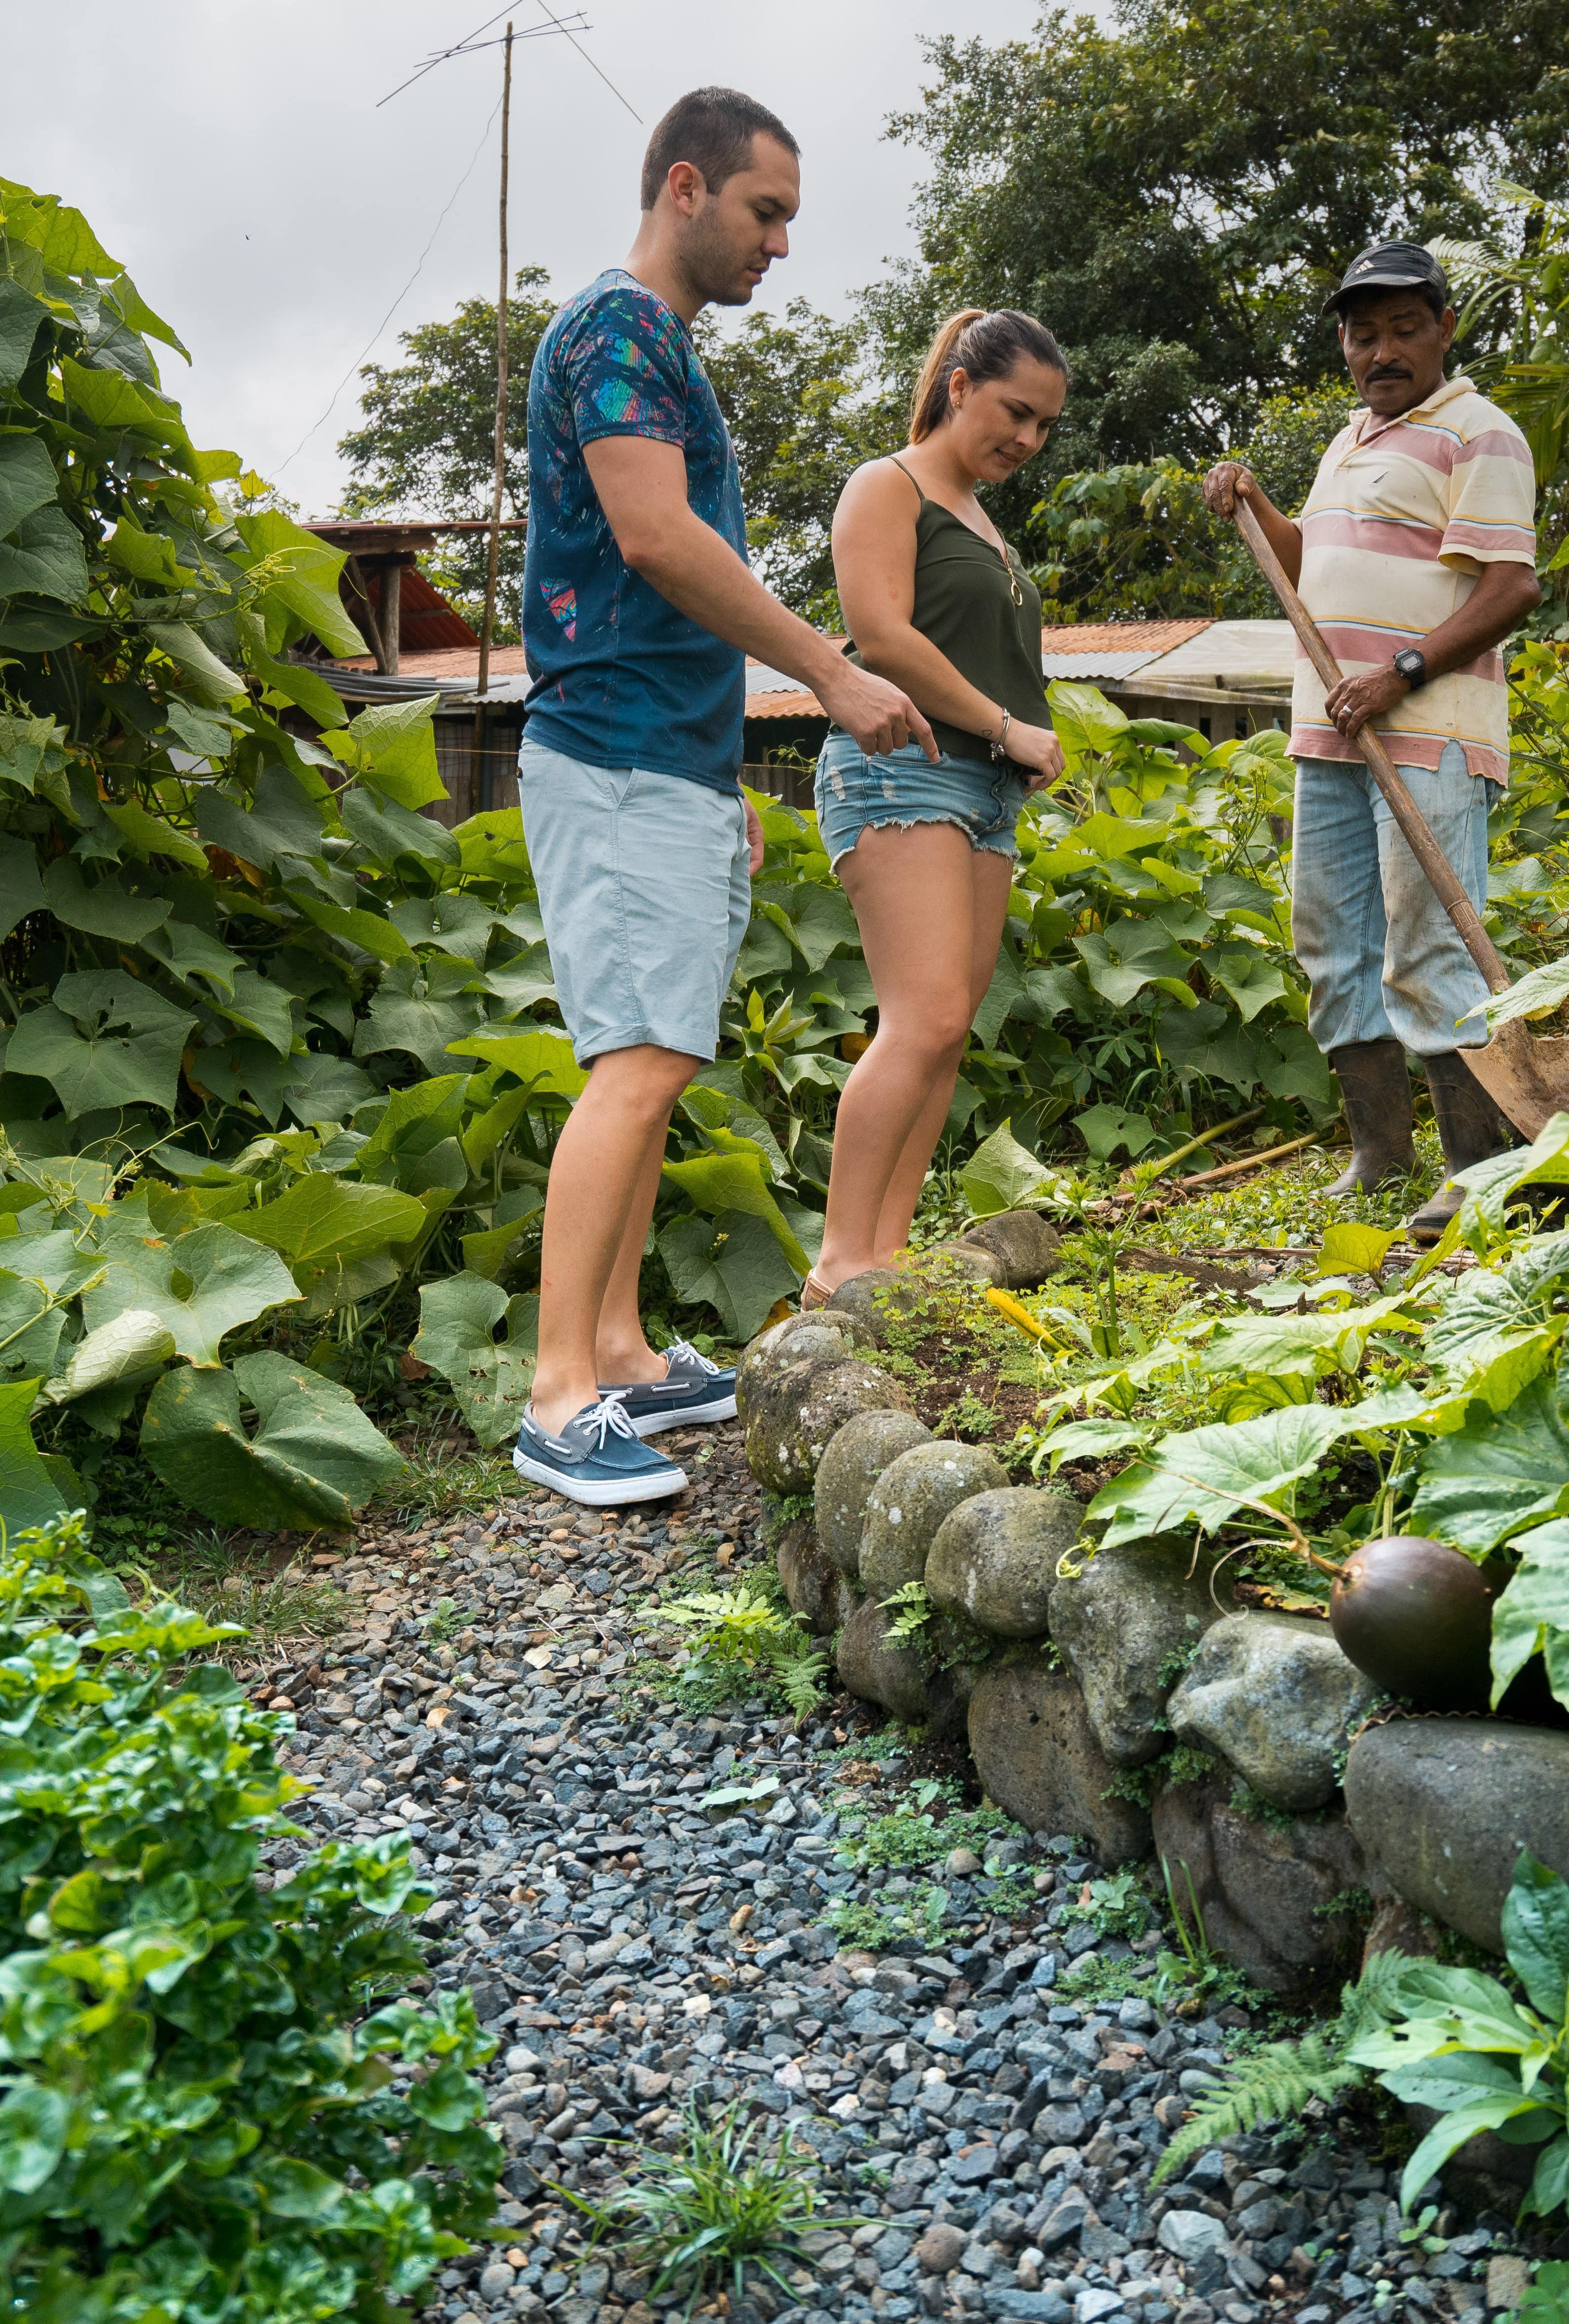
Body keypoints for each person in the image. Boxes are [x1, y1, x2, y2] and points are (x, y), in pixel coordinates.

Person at [512, 86, 938, 1507]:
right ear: (685, 186)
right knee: (634, 1060)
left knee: (659, 1056)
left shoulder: (658, 346)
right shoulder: (619, 327)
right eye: (765, 213)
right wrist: (828, 671)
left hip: (663, 756)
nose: (779, 245)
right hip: (616, 747)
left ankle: (622, 1350)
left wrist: (713, 770)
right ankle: (558, 1390)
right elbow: (652, 535)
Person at [1202, 241, 1540, 1237]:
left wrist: (1401, 673)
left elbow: (1511, 586)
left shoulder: (1481, 433)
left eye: (1403, 329)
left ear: (1443, 328)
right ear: (1345, 348)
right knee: (1329, 943)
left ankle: (1474, 1170)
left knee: (1430, 943)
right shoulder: (1350, 439)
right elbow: (1315, 571)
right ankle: (1381, 1158)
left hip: (1427, 728)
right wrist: (1258, 505)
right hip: (1329, 732)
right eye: (1363, 334)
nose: (1381, 351)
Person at [804, 310, 1070, 1304]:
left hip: (984, 789)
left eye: (1044, 425)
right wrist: (1008, 726)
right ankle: (838, 1265)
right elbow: (882, 637)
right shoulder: (891, 485)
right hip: (902, 772)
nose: (1028, 440)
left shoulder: (982, 517)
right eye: (1014, 412)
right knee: (921, 1019)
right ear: (959, 386)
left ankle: (887, 1254)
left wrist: (1008, 746)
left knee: (950, 1027)